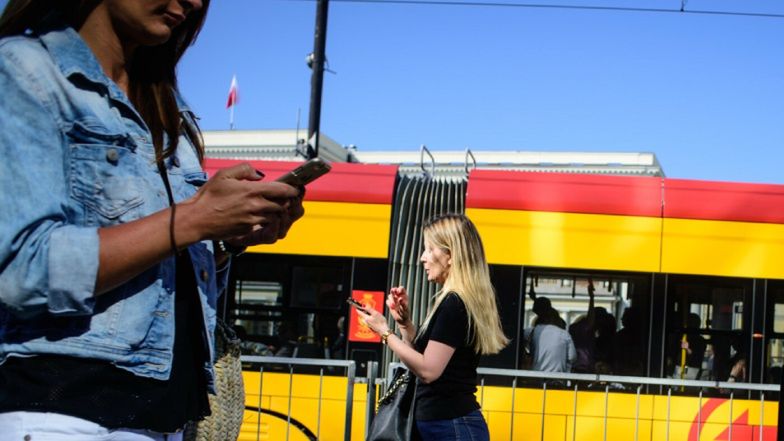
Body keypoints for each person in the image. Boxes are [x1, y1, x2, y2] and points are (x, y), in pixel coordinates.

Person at [0, 1, 304, 439]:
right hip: (64, 412)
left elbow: (160, 264)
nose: (194, 2)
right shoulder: (27, 70)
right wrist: (194, 219)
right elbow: (22, 269)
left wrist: (225, 240)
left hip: (161, 418)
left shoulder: (165, 107)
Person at [358, 213, 508, 441]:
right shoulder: (455, 301)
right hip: (446, 425)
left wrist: (384, 332)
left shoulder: (455, 303)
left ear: (450, 255)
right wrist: (404, 324)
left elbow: (429, 371)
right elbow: (425, 358)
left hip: (450, 426)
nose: (422, 258)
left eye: (429, 249)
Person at [524, 299, 576, 373]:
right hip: (558, 377)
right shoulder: (564, 334)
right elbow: (572, 357)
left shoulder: (532, 331)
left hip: (536, 376)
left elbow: (517, 339)